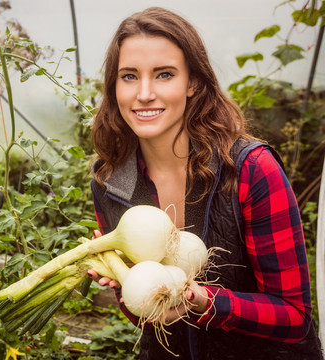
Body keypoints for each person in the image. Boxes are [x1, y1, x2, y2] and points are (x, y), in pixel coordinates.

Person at [88, 6, 323, 360]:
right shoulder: (110, 183)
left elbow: (293, 316)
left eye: (164, 74)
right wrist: (124, 276)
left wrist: (199, 299)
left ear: (193, 83)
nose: (145, 93)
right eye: (130, 76)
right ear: (114, 86)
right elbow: (146, 318)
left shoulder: (249, 169)